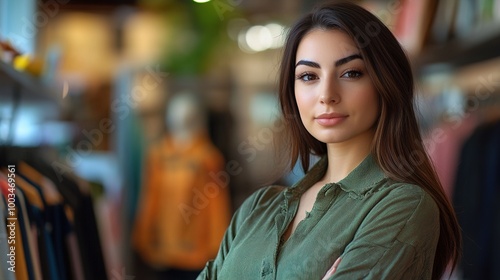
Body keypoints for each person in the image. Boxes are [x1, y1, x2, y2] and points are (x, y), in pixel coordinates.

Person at [197, 2, 461, 280]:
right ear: (293, 92)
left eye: (351, 73)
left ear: (387, 83)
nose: (327, 94)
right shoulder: (257, 207)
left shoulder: (403, 206)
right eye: (308, 76)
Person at [132, 92, 231, 280]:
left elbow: (216, 206)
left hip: (195, 253)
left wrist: (218, 246)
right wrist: (143, 238)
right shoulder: (158, 155)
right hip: (162, 251)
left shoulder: (208, 158)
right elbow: (150, 198)